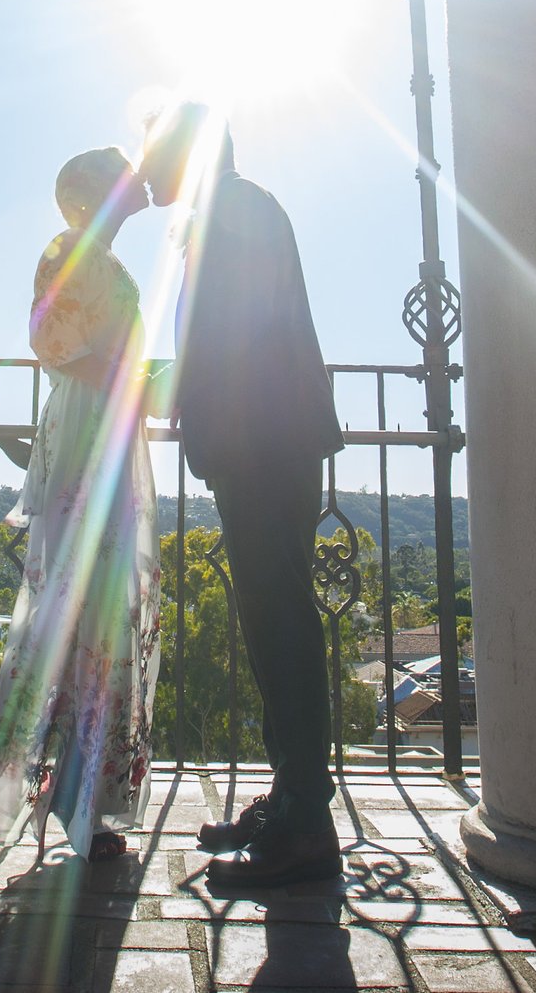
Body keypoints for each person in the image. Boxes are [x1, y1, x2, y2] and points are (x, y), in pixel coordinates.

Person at [0, 147, 162, 863]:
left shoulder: (107, 264)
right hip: (88, 431)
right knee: (66, 615)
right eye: (122, 170)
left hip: (109, 431)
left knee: (99, 619)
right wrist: (128, 376)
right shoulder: (68, 252)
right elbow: (53, 342)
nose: (137, 176)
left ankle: (78, 805)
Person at [138, 101, 344, 887]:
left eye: (154, 149)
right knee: (269, 617)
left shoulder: (237, 210)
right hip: (260, 440)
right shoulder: (229, 211)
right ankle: (293, 795)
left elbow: (239, 334)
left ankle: (307, 824)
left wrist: (180, 391)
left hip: (263, 440)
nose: (145, 164)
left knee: (280, 617)